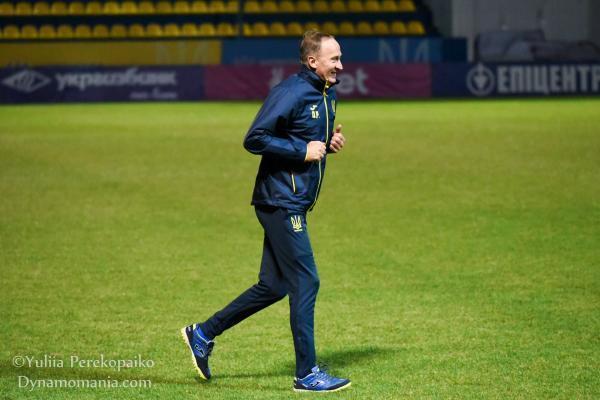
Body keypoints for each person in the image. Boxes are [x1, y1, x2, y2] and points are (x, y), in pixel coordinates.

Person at [181, 31, 350, 393]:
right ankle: (306, 374)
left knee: (274, 286)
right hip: (280, 201)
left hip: (292, 201)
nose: (340, 65)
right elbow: (254, 138)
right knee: (306, 281)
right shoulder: (291, 92)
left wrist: (327, 144)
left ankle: (203, 333)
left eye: (340, 58)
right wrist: (302, 151)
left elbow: (308, 139)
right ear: (313, 61)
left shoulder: (327, 93)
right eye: (334, 58)